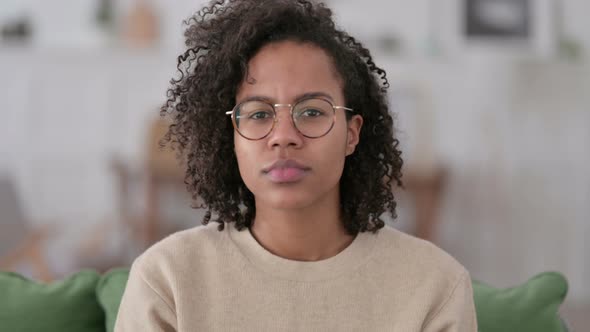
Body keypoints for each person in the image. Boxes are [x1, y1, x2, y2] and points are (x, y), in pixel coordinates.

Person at [115, 0, 478, 330]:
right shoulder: (167, 279)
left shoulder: (435, 285)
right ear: (232, 137)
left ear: (352, 135)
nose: (283, 136)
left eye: (312, 112)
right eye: (258, 113)